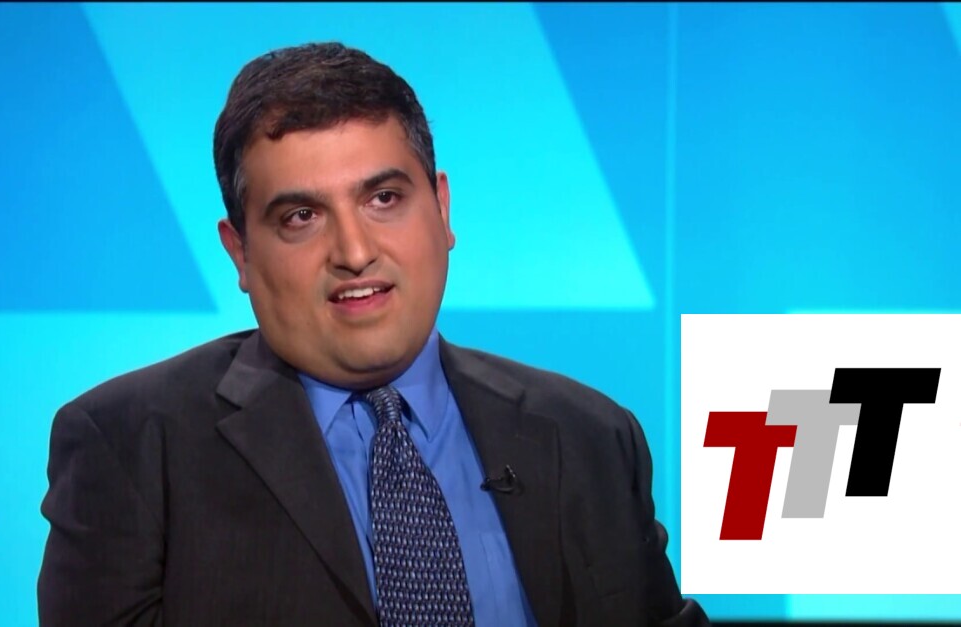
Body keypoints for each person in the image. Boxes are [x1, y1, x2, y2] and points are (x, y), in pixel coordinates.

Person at [37, 42, 709, 626]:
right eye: (301, 216)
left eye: (383, 198)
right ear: (240, 252)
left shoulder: (590, 435)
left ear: (441, 208)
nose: (355, 252)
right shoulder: (130, 445)